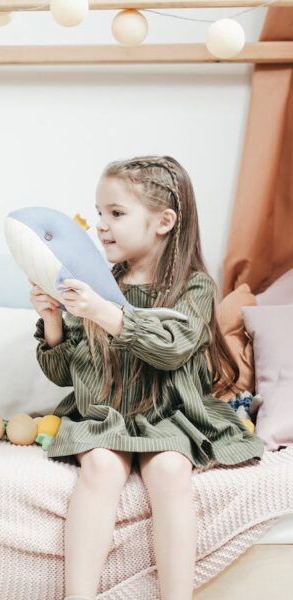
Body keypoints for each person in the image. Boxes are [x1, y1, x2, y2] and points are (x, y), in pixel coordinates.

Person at [30, 156, 264, 600]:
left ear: (164, 221)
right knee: (99, 465)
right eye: (99, 212)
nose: (101, 225)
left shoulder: (194, 286)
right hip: (106, 413)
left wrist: (104, 311)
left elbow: (173, 348)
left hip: (170, 416)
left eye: (116, 213)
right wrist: (54, 323)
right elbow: (65, 375)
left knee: (171, 468)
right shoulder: (92, 282)